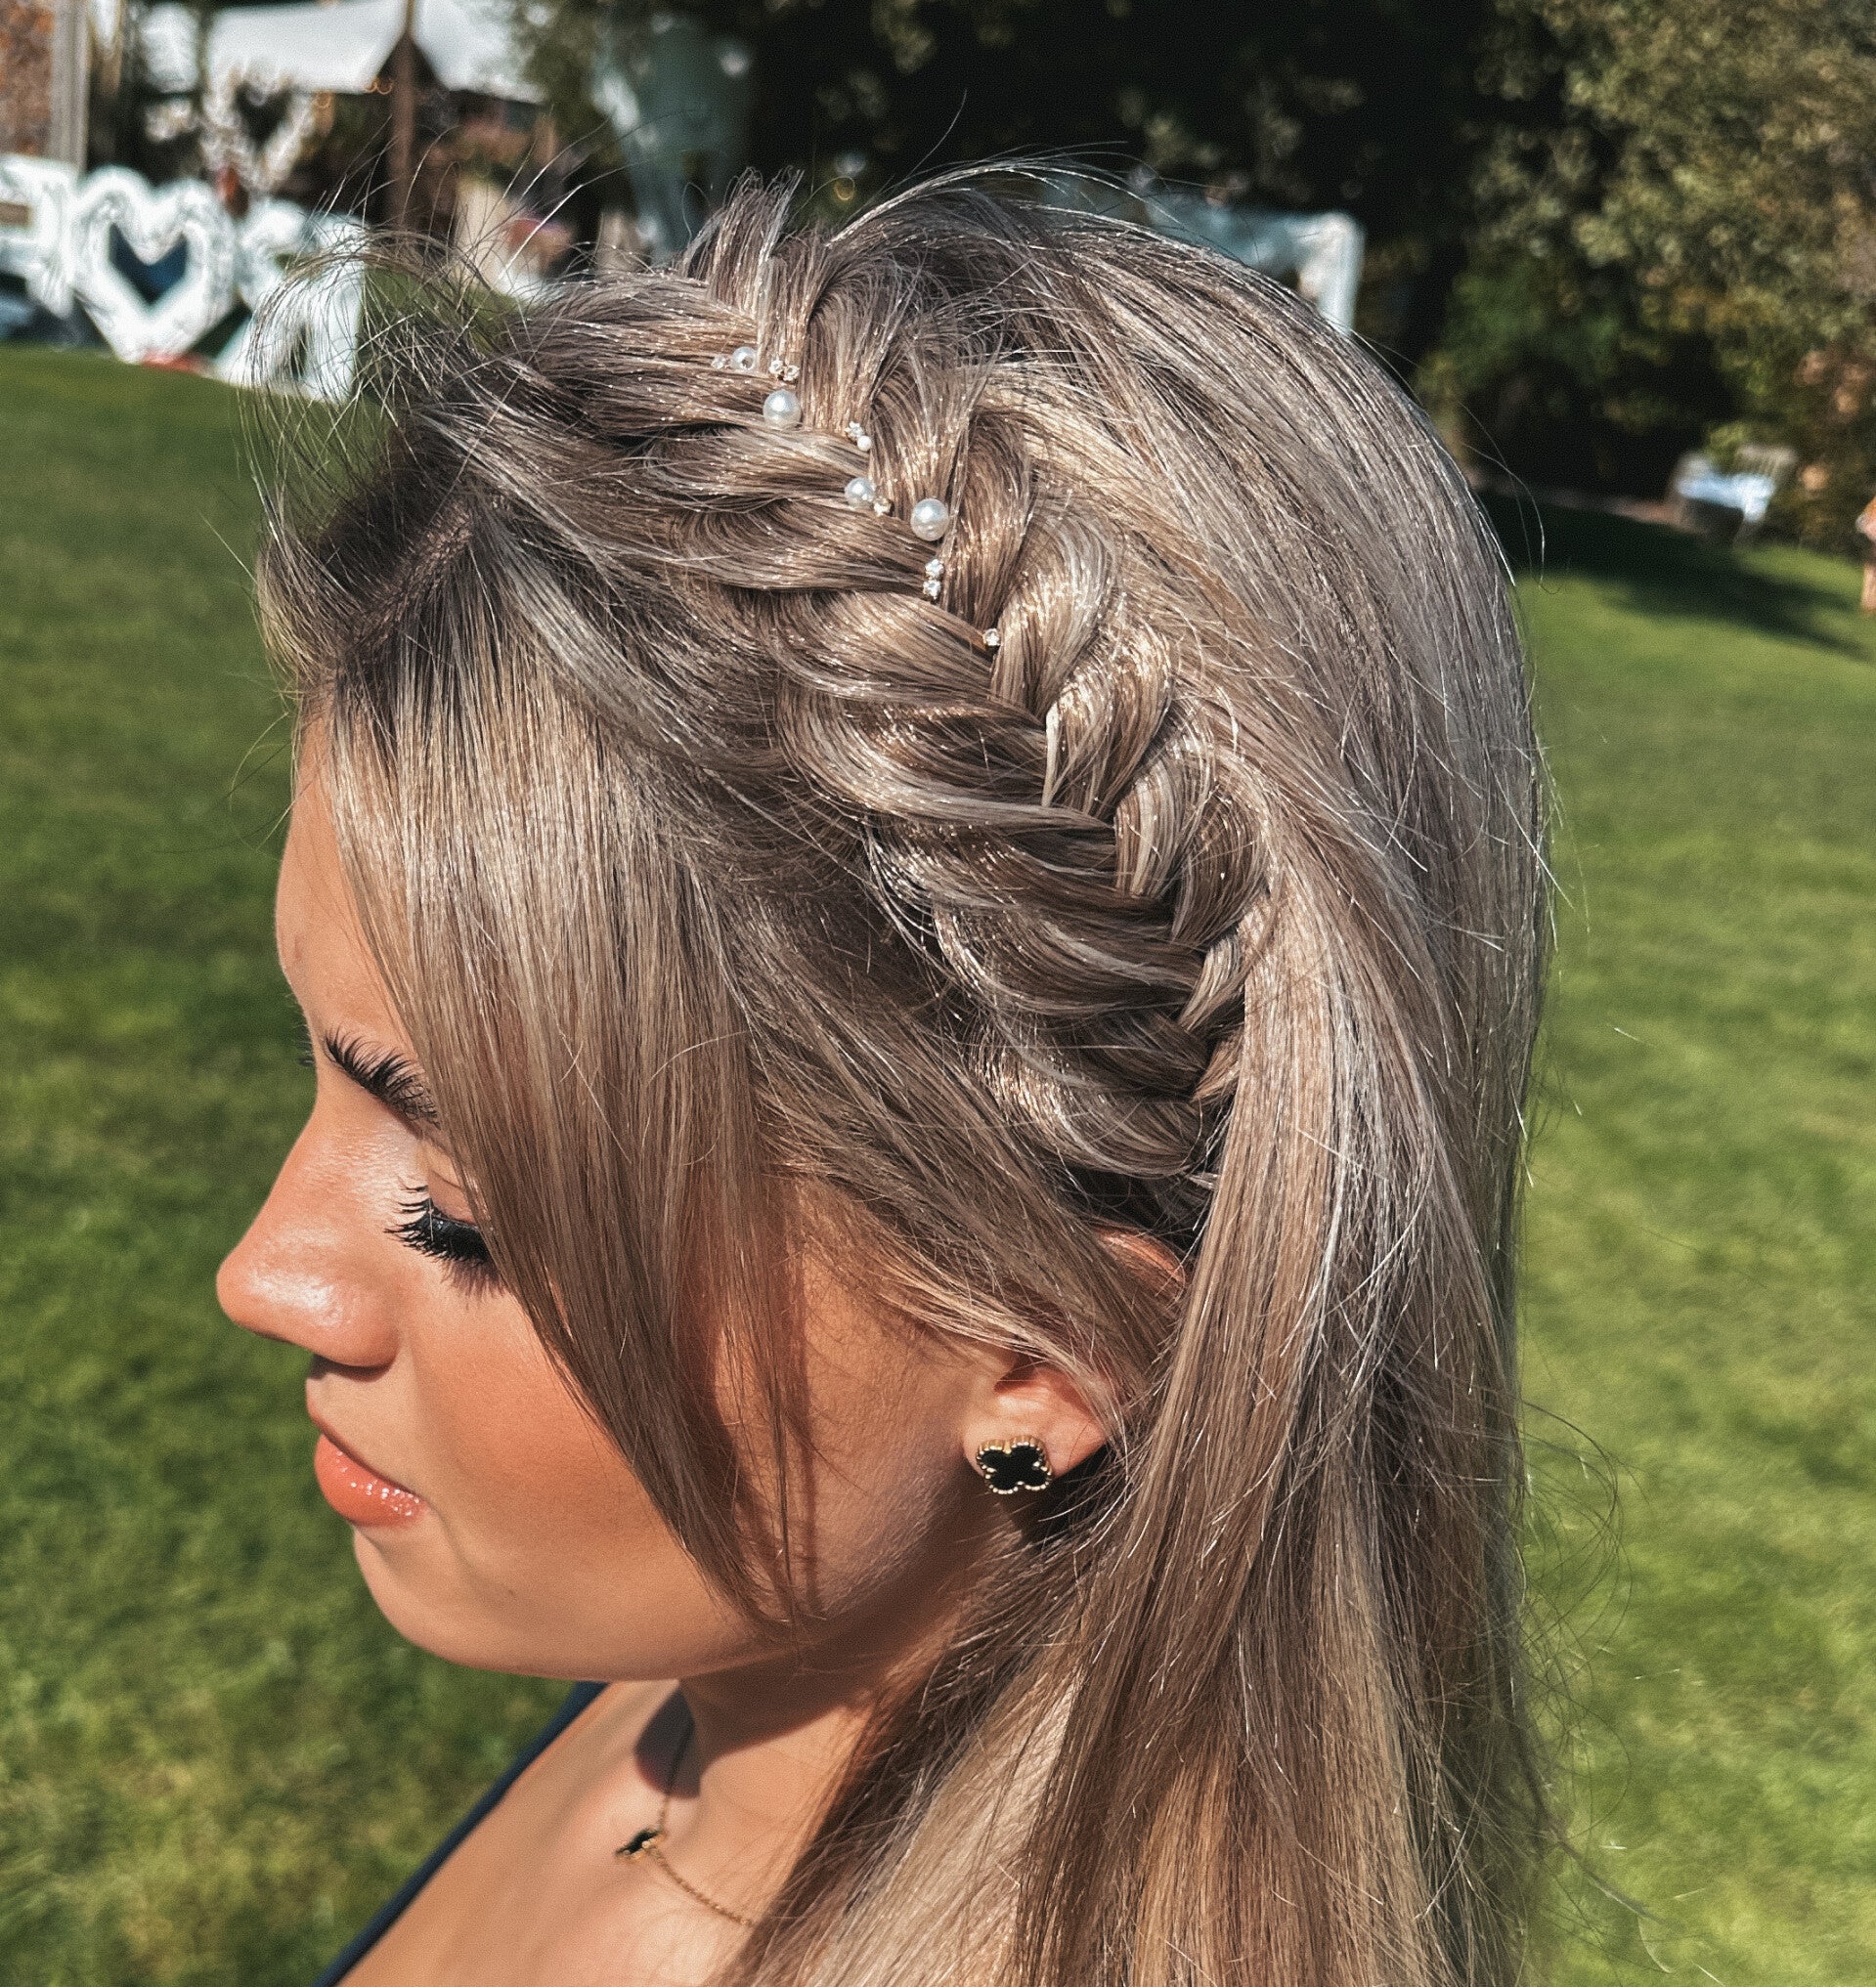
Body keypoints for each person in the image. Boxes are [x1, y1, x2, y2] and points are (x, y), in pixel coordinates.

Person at [218, 174, 1549, 1987]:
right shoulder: (715, 1697)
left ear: (1045, 1348)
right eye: (325, 1070)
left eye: (465, 1210)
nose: (264, 1274)